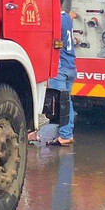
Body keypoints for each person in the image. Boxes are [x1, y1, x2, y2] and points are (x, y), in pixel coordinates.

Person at [32, 8, 77, 146]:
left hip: (59, 68)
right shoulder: (67, 18)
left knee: (54, 103)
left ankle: (36, 133)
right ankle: (67, 134)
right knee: (66, 102)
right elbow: (73, 14)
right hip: (70, 66)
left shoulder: (55, 20)